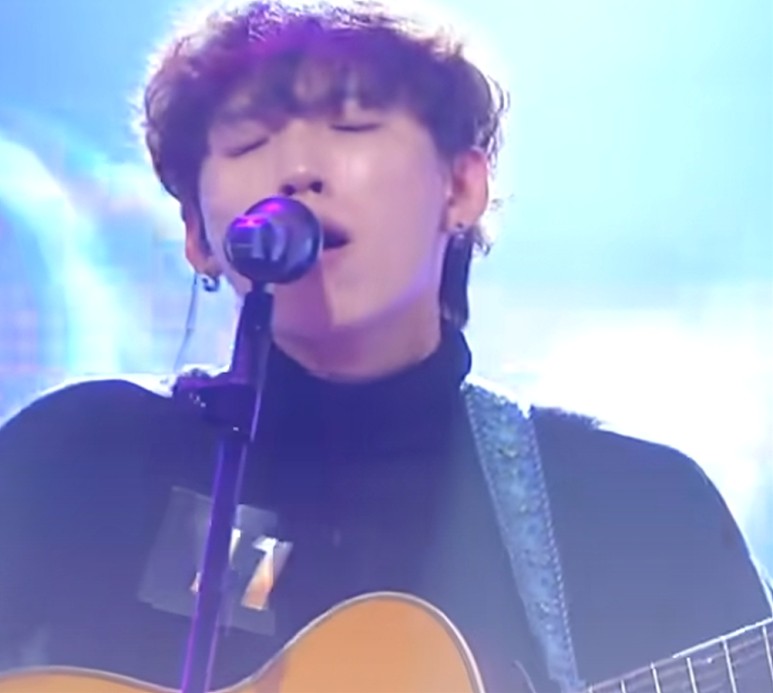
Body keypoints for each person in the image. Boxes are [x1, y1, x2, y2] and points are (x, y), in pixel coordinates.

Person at [0, 1, 770, 691]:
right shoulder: (79, 458)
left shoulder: (633, 508)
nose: (298, 170)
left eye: (352, 126)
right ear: (199, 235)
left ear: (460, 188)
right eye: (248, 141)